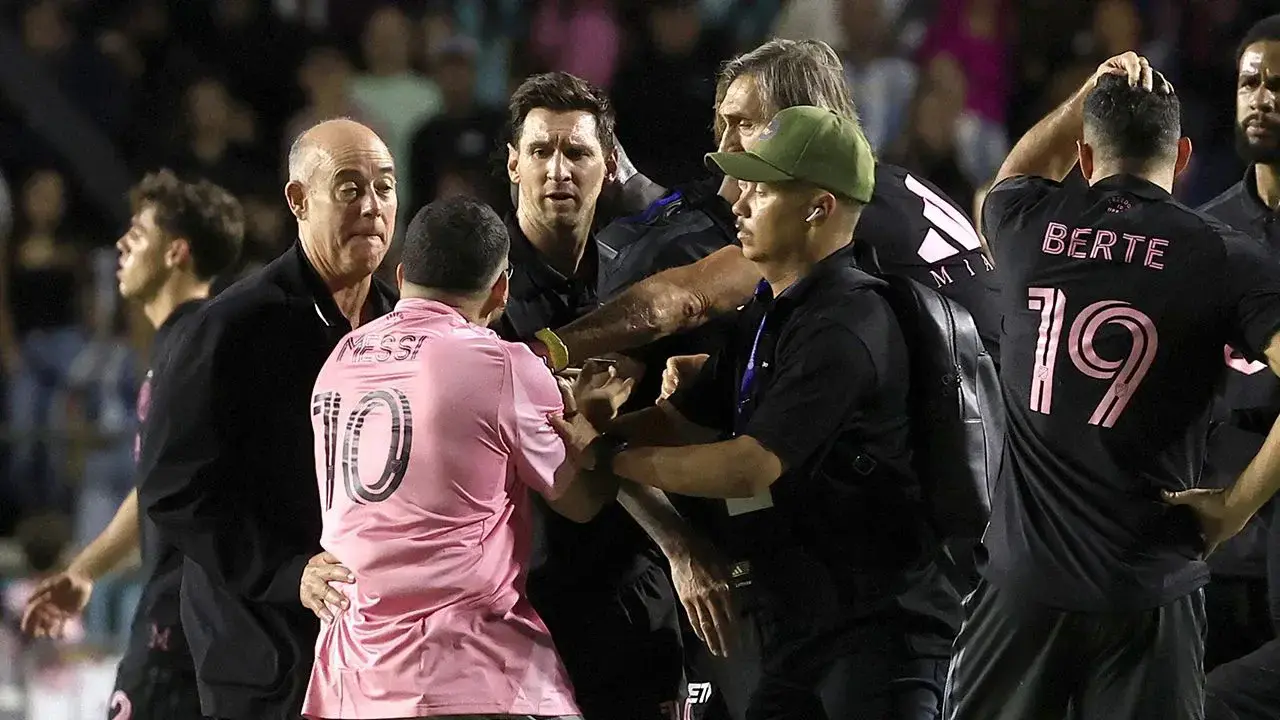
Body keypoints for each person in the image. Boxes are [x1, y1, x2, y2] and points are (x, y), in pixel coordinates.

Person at [559, 104, 948, 719]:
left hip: (879, 641)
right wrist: (595, 423)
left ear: (818, 207)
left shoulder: (847, 325)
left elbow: (748, 466)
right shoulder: (770, 314)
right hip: (802, 631)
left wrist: (614, 457)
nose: (736, 201)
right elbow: (683, 419)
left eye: (761, 190)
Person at [943, 53, 1280, 720]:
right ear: (1183, 156)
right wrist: (1238, 506)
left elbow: (1014, 174)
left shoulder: (1024, 226)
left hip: (1019, 589)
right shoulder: (1226, 257)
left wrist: (1087, 91)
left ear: (1086, 159)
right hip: (1149, 593)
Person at [300, 197, 626, 720]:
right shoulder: (503, 365)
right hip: (468, 673)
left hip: (349, 682)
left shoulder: (340, 359)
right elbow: (582, 502)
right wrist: (595, 428)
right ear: (501, 288)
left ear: (402, 276)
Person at [136, 119, 399, 720]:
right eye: (349, 187)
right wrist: (286, 571)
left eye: (384, 188)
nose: (372, 206)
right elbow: (174, 490)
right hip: (261, 654)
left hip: (379, 654)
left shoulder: (403, 329)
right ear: (299, 200)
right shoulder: (228, 329)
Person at [534, 38, 1000, 369]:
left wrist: (548, 350)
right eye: (724, 124)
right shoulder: (900, 183)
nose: (727, 147)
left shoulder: (832, 205)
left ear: (804, 123)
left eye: (746, 125)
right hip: (997, 408)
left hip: (979, 443)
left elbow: (688, 298)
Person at [20, 169, 243, 720]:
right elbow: (156, 487)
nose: (121, 243)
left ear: (176, 252)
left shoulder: (197, 351)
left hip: (182, 629)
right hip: (187, 624)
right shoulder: (181, 348)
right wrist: (86, 570)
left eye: (139, 233)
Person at [1198, 15, 1280, 719]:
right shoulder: (1209, 232)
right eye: (1250, 82)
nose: (1262, 97)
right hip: (1215, 551)